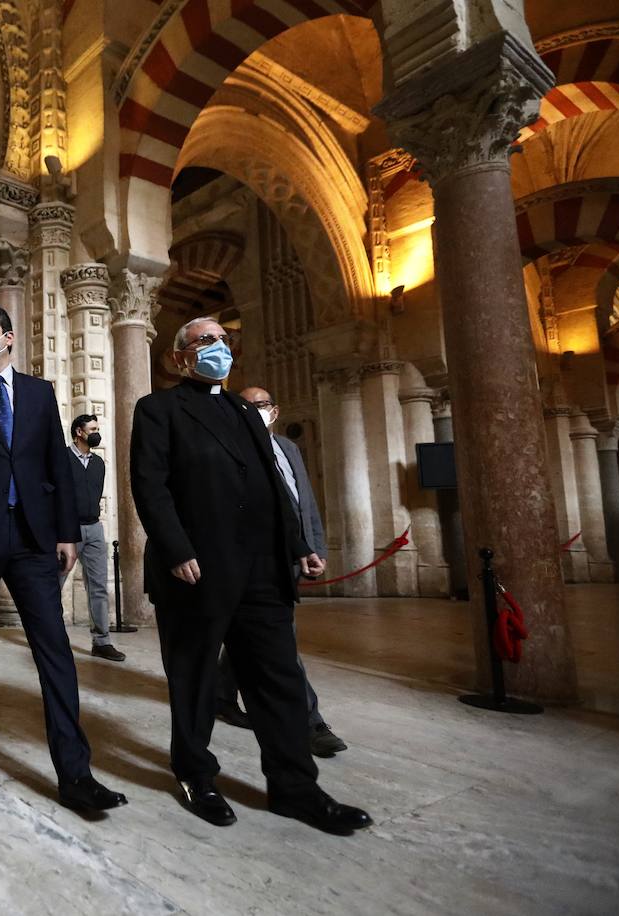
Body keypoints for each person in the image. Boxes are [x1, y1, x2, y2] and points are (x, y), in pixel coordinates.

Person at [129, 315, 371, 836]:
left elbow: (275, 482)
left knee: (278, 677)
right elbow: (150, 486)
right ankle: (196, 775)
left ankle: (295, 787)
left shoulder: (243, 407)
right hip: (195, 569)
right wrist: (175, 549)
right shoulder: (159, 408)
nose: (218, 347)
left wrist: (298, 543)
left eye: (223, 339)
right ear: (179, 358)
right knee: (194, 681)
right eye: (205, 341)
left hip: (262, 568)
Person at [0, 303, 126, 812]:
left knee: (53, 650)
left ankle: (75, 772)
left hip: (34, 538)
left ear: (9, 338)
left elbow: (53, 461)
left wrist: (67, 532)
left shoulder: (38, 393)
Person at [214, 387, 347, 758]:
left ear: (275, 410)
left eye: (262, 405)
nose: (256, 411)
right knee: (281, 641)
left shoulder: (289, 448)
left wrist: (314, 546)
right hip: (260, 559)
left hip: (296, 554)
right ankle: (311, 722)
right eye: (248, 406)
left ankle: (221, 694)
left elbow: (304, 501)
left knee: (249, 636)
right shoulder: (232, 450)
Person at [60, 414, 123, 661]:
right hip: (68, 529)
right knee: (55, 584)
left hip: (94, 529)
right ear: (78, 432)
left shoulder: (98, 463)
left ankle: (102, 641)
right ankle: (49, 637)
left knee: (98, 586)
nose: (97, 433)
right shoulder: (62, 458)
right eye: (93, 429)